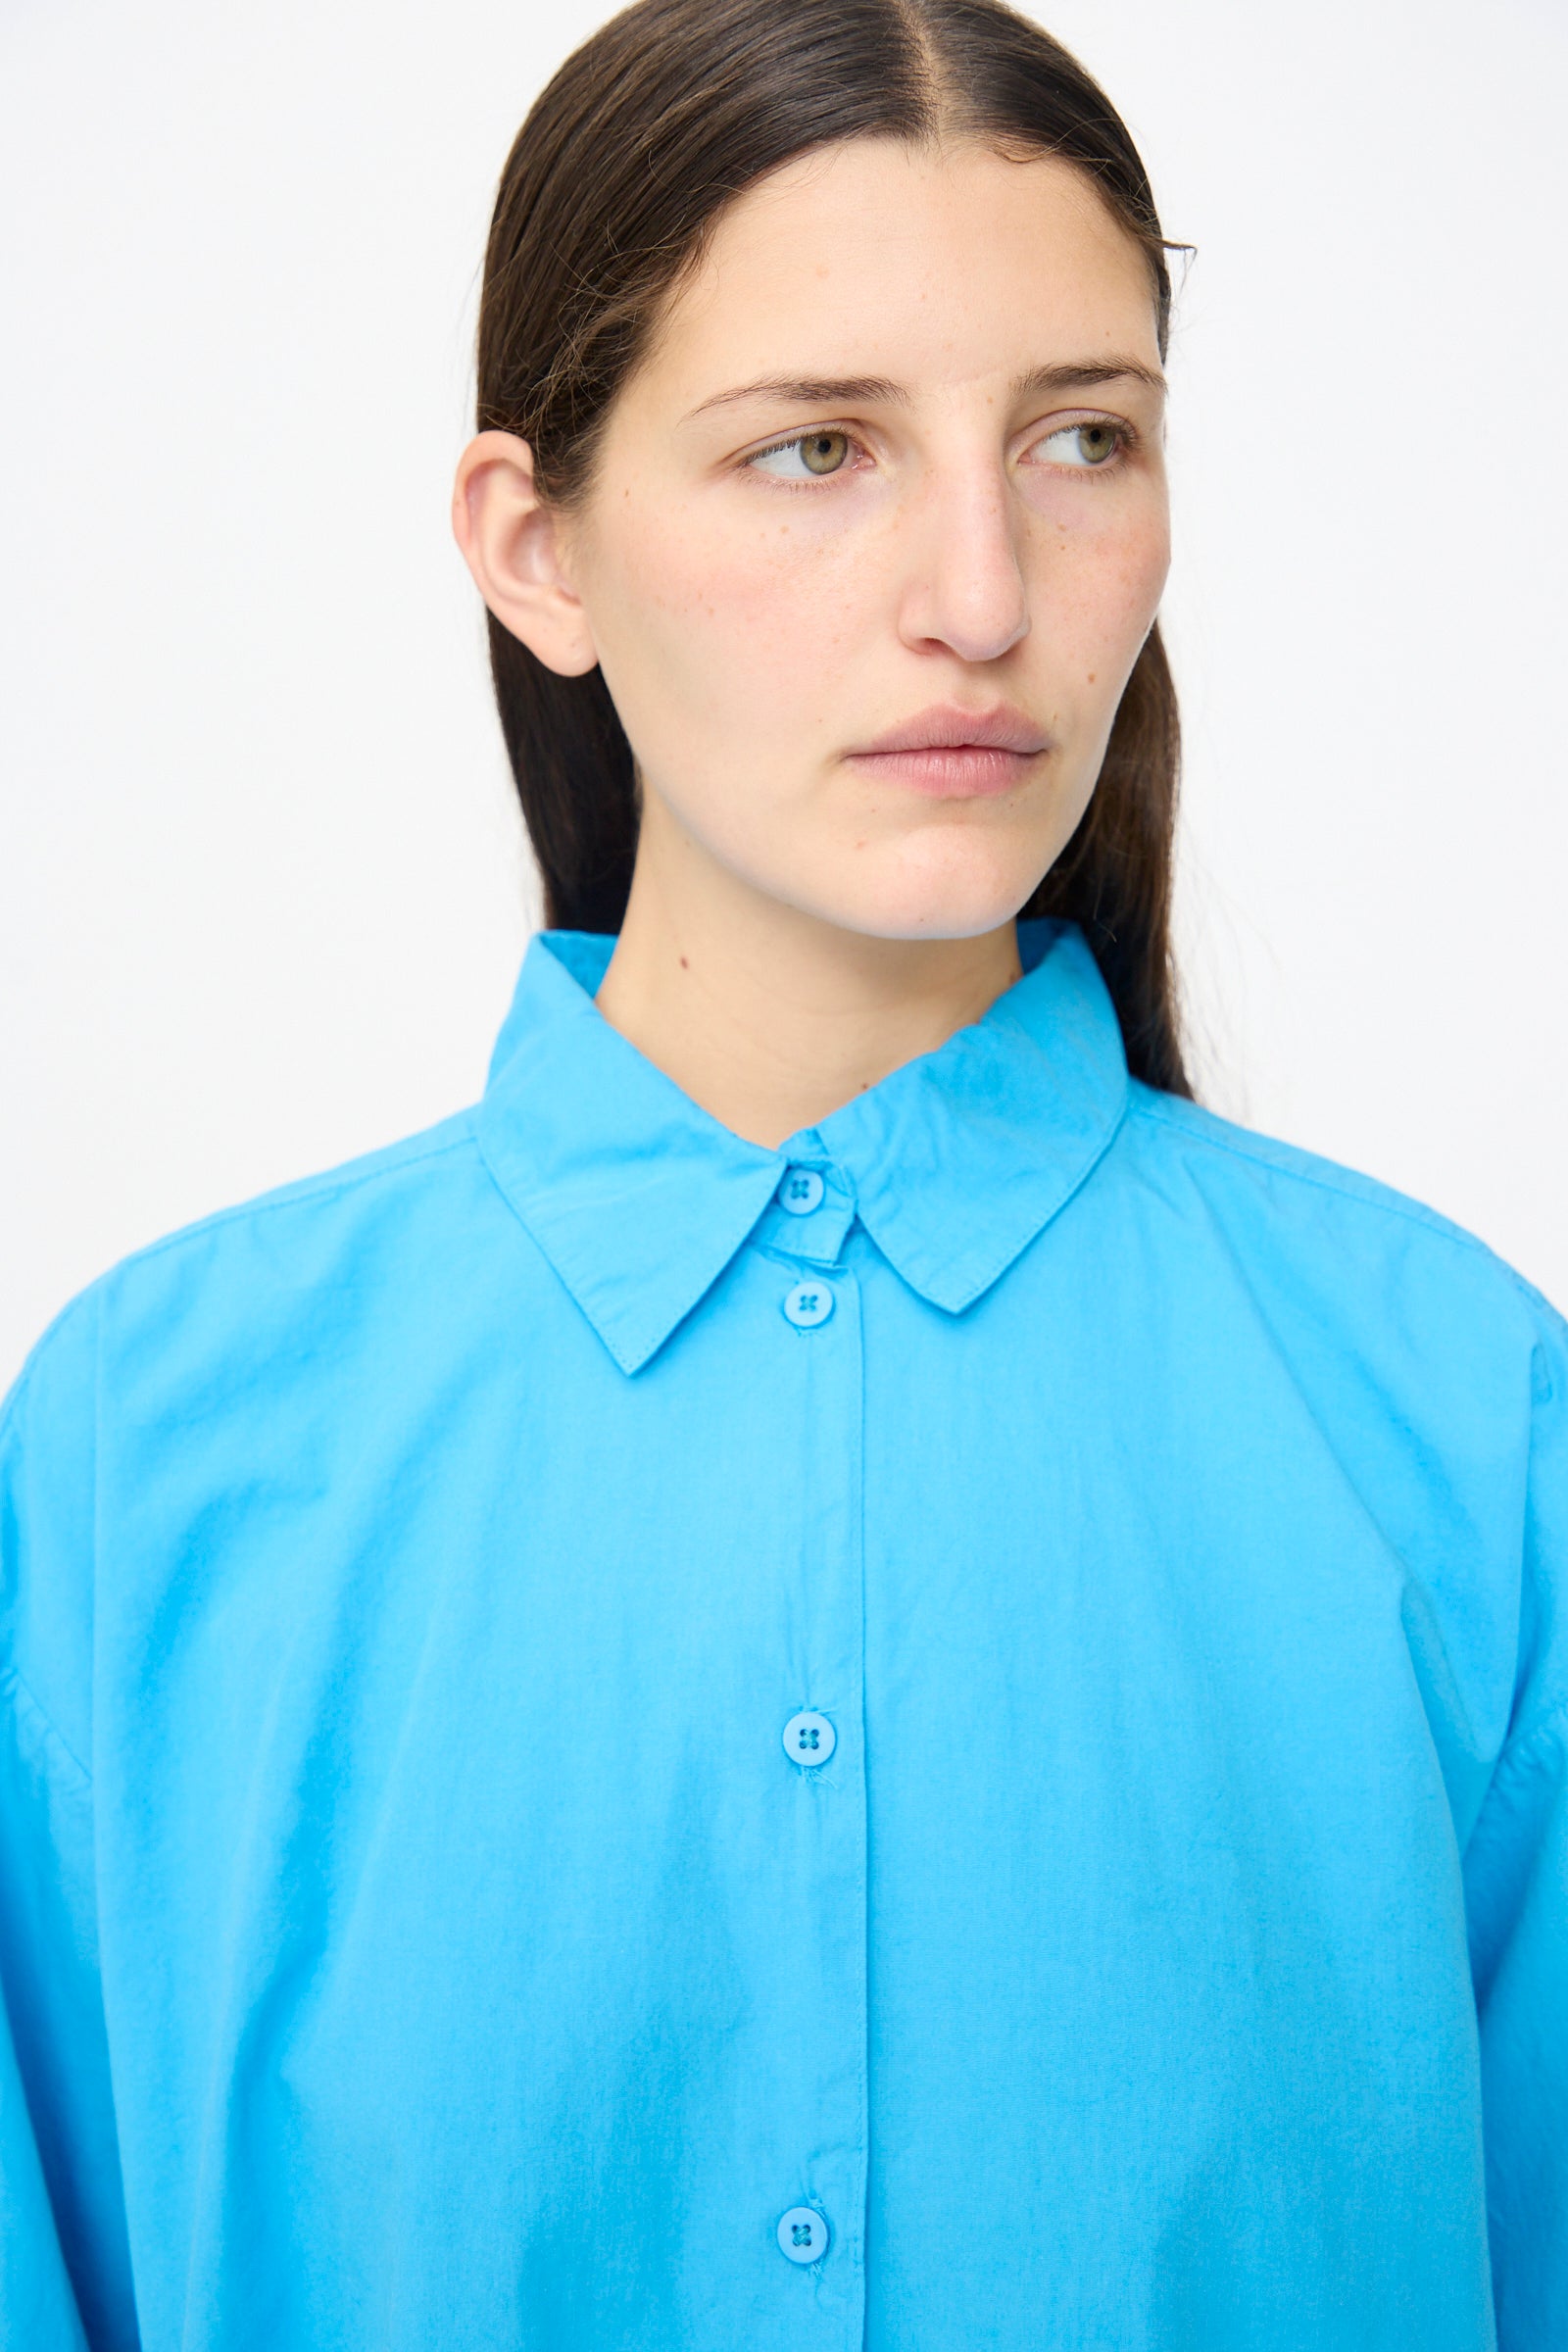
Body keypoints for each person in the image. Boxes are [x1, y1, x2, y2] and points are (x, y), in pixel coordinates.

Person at [1, 0, 1562, 2342]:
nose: (981, 593)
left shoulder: (1463, 1421)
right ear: (533, 547)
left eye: (1077, 438)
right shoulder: (145, 1451)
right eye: (815, 446)